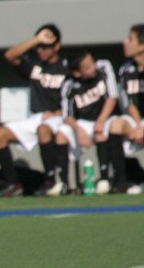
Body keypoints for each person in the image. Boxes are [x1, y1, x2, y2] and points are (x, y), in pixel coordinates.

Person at [0, 23, 70, 197]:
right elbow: (10, 55)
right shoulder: (34, 65)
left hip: (59, 117)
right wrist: (37, 39)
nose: (41, 50)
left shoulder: (67, 66)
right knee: (0, 134)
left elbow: (76, 93)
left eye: (46, 46)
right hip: (37, 116)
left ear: (56, 46)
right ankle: (14, 184)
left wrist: (59, 113)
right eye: (38, 47)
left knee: (43, 130)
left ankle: (50, 181)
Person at [52, 50, 123, 195]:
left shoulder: (103, 67)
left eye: (92, 63)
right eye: (88, 67)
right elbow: (67, 115)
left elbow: (112, 97)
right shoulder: (69, 84)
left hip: (106, 117)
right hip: (82, 123)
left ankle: (104, 179)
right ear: (77, 73)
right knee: (61, 134)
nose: (93, 68)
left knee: (100, 132)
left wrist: (100, 121)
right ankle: (63, 183)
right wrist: (79, 130)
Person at [115, 23, 144, 193]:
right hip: (137, 120)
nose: (125, 42)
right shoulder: (126, 69)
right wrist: (139, 125)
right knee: (114, 126)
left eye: (130, 39)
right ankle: (125, 180)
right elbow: (129, 101)